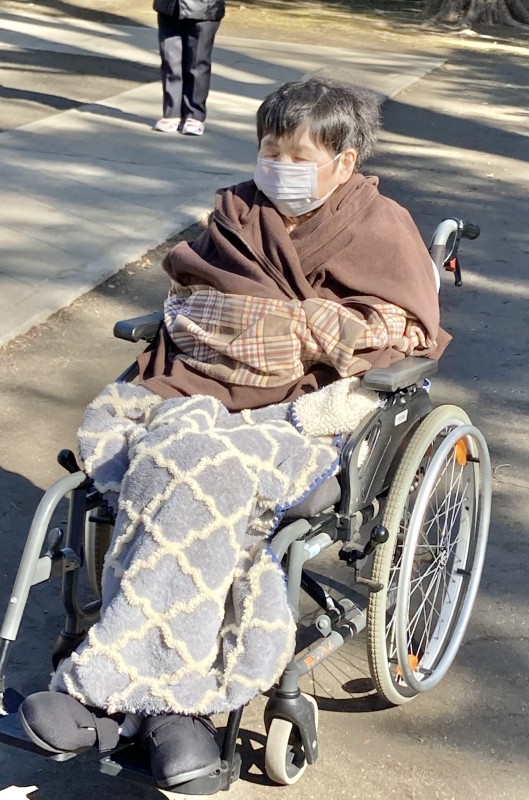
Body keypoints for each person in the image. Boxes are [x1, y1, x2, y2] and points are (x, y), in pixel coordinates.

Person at [18, 78, 448, 789]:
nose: (278, 166)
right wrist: (270, 326)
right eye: (269, 149)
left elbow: (397, 333)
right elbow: (193, 304)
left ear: (344, 161)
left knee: (197, 471)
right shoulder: (236, 214)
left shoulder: (382, 226)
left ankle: (106, 698)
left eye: (298, 156)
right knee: (169, 453)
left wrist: (289, 332)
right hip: (196, 386)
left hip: (306, 413)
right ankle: (173, 714)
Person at [152, 0, 225, 135]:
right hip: (169, 6)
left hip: (204, 7)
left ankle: (194, 115)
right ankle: (172, 113)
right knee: (170, 60)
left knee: (197, 62)